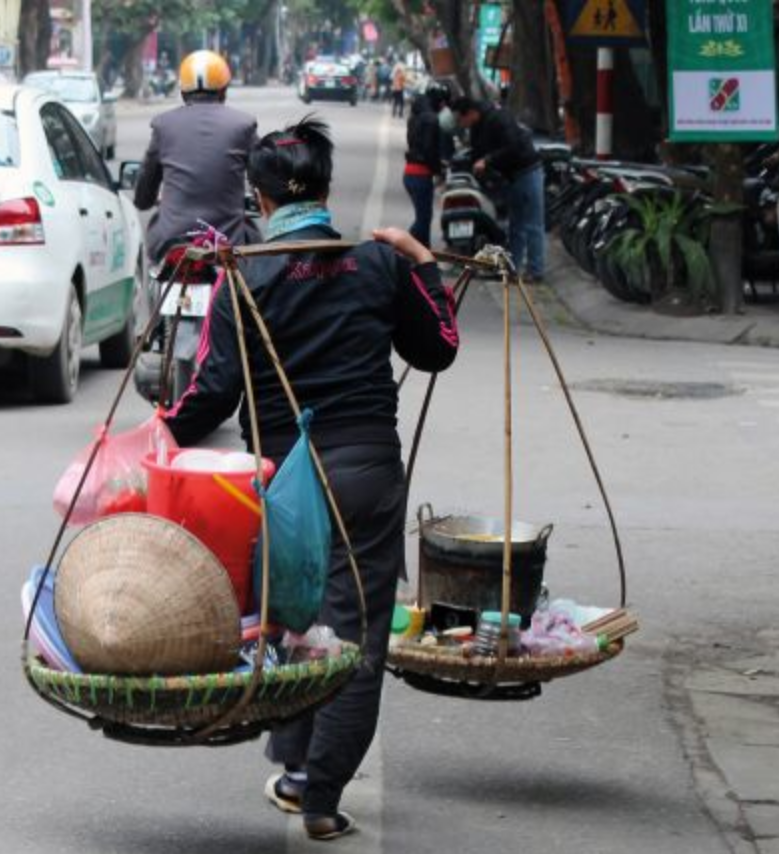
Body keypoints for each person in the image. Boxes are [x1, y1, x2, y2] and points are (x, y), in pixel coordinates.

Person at [164, 117, 460, 841]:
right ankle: (316, 793)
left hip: (283, 483)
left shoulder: (246, 277)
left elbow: (210, 395)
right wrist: (421, 258)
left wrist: (154, 435)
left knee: (289, 617)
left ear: (258, 201)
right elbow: (440, 348)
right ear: (324, 190)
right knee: (354, 638)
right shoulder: (376, 265)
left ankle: (298, 768)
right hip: (364, 471)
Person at [134, 50, 260, 262]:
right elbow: (265, 177)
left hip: (171, 243)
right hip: (229, 243)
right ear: (224, 91)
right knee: (258, 265)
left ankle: (157, 294)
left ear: (183, 93)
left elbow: (144, 197)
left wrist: (146, 199)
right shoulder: (243, 124)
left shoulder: (163, 125)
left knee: (154, 252)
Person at [452, 96, 546, 281]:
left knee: (533, 224)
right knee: (515, 225)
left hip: (527, 171)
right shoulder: (477, 126)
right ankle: (512, 268)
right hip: (510, 177)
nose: (461, 124)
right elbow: (477, 152)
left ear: (471, 113)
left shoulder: (498, 118)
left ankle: (535, 271)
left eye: (462, 119)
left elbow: (513, 147)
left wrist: (488, 160)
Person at [403, 82, 452, 247]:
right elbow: (429, 150)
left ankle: (422, 256)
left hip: (410, 173)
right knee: (423, 220)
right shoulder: (431, 119)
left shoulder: (415, 117)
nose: (443, 106)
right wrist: (438, 170)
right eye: (443, 102)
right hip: (421, 175)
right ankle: (403, 246)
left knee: (423, 218)